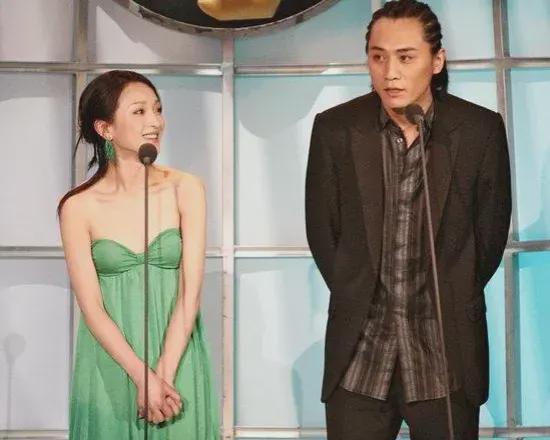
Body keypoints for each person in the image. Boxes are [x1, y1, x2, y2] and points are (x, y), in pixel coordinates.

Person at [305, 1, 512, 439]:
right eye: (378, 57)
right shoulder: (336, 129)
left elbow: (489, 237)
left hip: (445, 359)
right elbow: (323, 232)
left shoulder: (479, 130)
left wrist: (451, 293)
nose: (390, 73)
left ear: (436, 61)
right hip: (360, 358)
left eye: (405, 57)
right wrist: (356, 291)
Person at [58, 70, 219, 439]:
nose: (155, 122)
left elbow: (190, 293)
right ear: (105, 128)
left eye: (158, 109)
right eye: (140, 111)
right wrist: (141, 377)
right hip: (113, 364)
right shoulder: (78, 207)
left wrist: (162, 376)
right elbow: (92, 309)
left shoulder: (186, 188)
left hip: (177, 360)